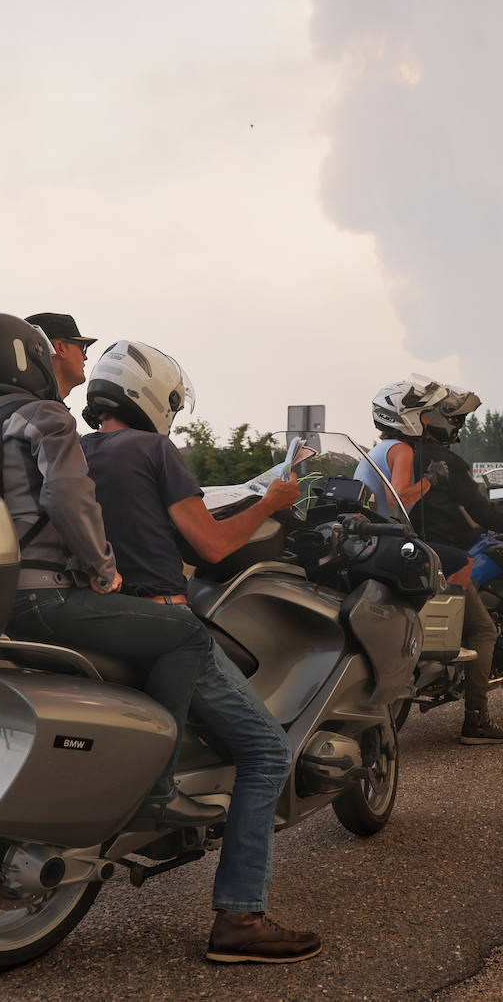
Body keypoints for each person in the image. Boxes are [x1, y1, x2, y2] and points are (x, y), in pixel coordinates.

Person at [0, 312, 223, 829]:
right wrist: (103, 568)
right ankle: (158, 789)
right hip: (45, 596)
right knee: (186, 635)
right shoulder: (44, 416)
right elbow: (68, 496)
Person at [79, 338, 320, 964]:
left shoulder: (73, 452)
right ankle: (240, 917)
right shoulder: (156, 449)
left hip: (95, 618)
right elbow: (209, 547)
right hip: (160, 617)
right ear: (153, 398)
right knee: (268, 750)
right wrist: (270, 503)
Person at [360, 377, 503, 746]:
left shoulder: (376, 450)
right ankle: (477, 719)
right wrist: (433, 481)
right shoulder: (414, 453)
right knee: (483, 630)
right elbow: (400, 501)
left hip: (381, 547)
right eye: (426, 412)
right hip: (416, 551)